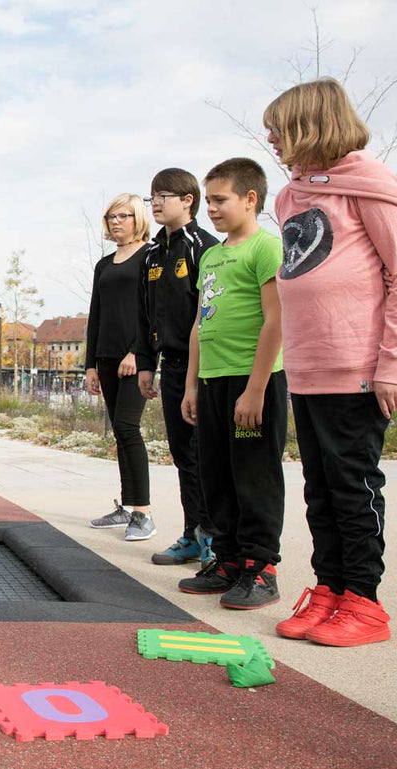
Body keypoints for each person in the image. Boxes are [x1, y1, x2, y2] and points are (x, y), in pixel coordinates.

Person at [264, 78, 397, 646]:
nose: (270, 137)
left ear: (309, 125)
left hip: (357, 365)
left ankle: (364, 602)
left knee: (351, 484)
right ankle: (330, 589)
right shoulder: (291, 195)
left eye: (278, 127)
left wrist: (391, 364)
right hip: (309, 365)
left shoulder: (371, 187)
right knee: (318, 486)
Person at [180, 158, 287, 609]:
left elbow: (276, 318)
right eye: (209, 201)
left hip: (252, 381)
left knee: (253, 475)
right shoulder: (211, 254)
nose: (212, 209)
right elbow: (199, 324)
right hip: (212, 382)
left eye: (220, 200)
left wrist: (257, 388)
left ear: (250, 198)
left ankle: (260, 568)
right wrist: (190, 386)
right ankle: (226, 560)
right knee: (216, 474)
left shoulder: (267, 248)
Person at [136, 168, 219, 568]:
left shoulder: (204, 247)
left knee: (206, 454)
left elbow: (209, 313)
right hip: (169, 364)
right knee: (183, 454)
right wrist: (146, 363)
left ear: (188, 200)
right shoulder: (152, 254)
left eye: (163, 195)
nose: (155, 203)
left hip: (204, 367)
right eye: (151, 195)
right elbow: (144, 314)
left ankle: (214, 537)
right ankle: (191, 533)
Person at [86, 194, 156, 541]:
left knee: (129, 428)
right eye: (110, 217)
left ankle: (143, 513)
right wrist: (90, 365)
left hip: (135, 359)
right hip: (106, 357)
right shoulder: (104, 264)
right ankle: (127, 507)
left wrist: (136, 353)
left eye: (123, 216)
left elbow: (151, 310)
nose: (115, 222)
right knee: (119, 431)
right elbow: (96, 314)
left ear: (137, 217)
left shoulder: (150, 256)